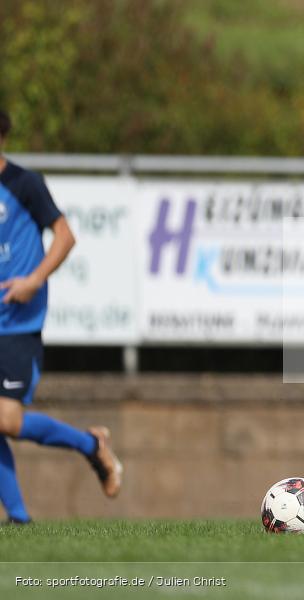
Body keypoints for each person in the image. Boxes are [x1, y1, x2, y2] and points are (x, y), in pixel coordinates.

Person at [0, 109, 122, 525]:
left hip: (18, 324)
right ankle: (19, 520)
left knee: (6, 419)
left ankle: (90, 445)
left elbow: (65, 236)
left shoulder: (23, 184)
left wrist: (33, 280)